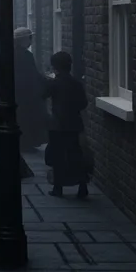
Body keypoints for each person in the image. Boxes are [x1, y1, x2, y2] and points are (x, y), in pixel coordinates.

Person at [44, 51, 90, 199]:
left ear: (55, 67)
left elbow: (43, 94)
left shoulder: (54, 83)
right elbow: (83, 103)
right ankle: (82, 186)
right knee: (76, 155)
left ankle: (58, 187)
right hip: (74, 124)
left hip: (58, 125)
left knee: (58, 157)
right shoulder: (76, 83)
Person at [14, 27, 49, 151]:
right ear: (24, 40)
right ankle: (27, 143)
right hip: (27, 93)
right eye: (30, 38)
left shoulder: (13, 53)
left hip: (18, 92)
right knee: (29, 118)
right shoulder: (26, 55)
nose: (31, 41)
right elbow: (32, 74)